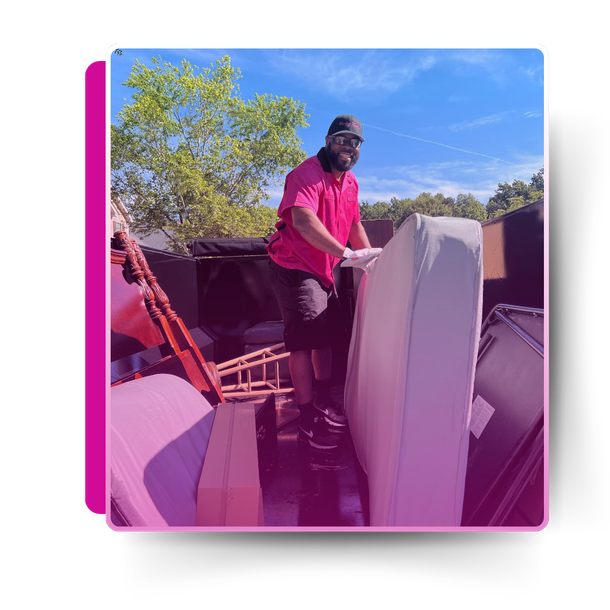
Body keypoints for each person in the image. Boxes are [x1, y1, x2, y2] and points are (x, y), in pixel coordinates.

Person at [266, 114, 377, 450]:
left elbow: (355, 225)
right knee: (303, 341)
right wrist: (344, 254)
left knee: (325, 336)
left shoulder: (352, 183)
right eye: (341, 139)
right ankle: (307, 419)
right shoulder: (307, 173)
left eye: (354, 142)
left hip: (323, 269)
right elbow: (302, 219)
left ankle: (325, 400)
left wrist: (372, 258)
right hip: (294, 265)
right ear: (328, 141)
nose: (347, 147)